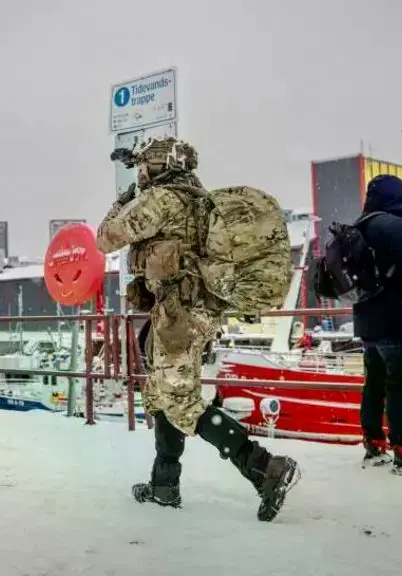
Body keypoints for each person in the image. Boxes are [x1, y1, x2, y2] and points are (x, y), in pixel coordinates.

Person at [97, 137, 298, 522]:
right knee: (164, 393)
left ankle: (263, 467)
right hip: (189, 311)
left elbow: (104, 238)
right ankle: (163, 485)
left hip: (180, 316)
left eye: (143, 166)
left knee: (179, 401)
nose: (140, 173)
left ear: (154, 167)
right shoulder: (195, 199)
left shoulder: (160, 201)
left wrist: (121, 202)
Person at [351, 175, 402, 474]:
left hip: (367, 322)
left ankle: (373, 445)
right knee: (399, 388)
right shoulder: (393, 226)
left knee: (373, 386)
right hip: (396, 319)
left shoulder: (360, 226)